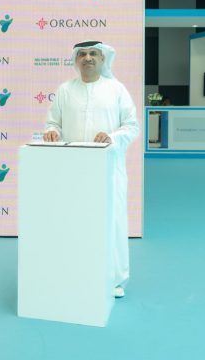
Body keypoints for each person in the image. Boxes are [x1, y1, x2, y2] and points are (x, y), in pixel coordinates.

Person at [43, 40, 139, 298]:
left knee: (111, 222)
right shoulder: (65, 90)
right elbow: (53, 123)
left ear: (103, 59)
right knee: (74, 221)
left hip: (108, 169)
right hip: (73, 170)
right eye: (82, 54)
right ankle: (75, 274)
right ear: (76, 60)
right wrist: (52, 132)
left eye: (93, 53)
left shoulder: (116, 89)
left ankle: (114, 279)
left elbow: (131, 126)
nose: (88, 58)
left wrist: (111, 137)